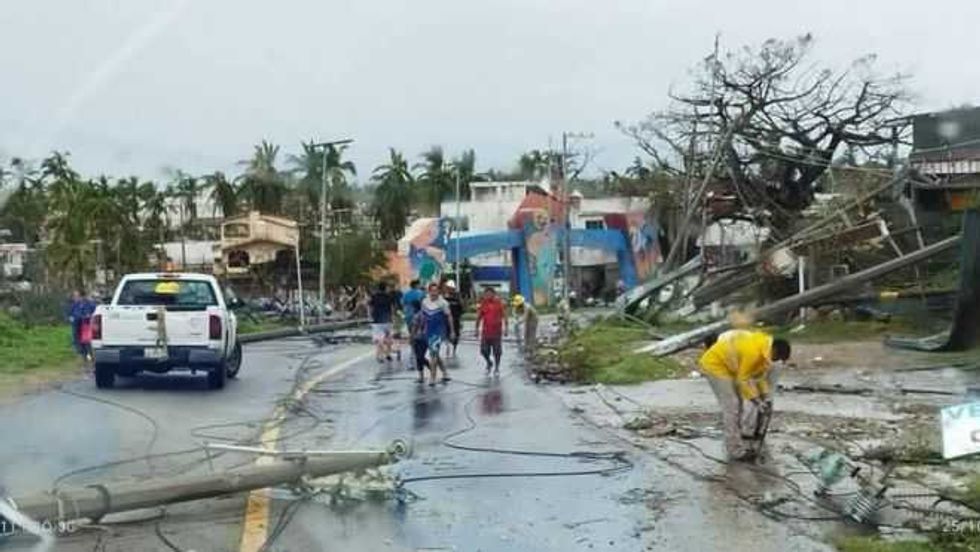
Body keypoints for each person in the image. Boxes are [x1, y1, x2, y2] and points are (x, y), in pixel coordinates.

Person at [698, 329, 791, 461]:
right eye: (778, 358)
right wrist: (757, 402)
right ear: (774, 350)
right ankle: (735, 450)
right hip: (715, 366)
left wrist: (765, 399)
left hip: (730, 369)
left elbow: (758, 379)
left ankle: (739, 440)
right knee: (732, 407)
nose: (777, 361)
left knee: (740, 405)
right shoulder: (753, 351)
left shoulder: (765, 353)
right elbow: (744, 380)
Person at [421, 282, 455, 386]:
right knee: (434, 353)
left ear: (438, 291)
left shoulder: (443, 303)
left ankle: (433, 377)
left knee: (433, 354)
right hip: (428, 331)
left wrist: (452, 331)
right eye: (432, 290)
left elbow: (449, 317)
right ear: (429, 291)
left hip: (438, 331)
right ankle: (445, 373)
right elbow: (423, 316)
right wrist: (421, 328)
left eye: (436, 291)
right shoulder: (424, 302)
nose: (434, 293)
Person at [475, 287, 507, 374]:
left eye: (489, 294)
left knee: (497, 352)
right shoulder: (483, 304)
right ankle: (489, 362)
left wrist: (506, 328)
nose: (487, 295)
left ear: (493, 294)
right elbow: (479, 317)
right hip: (486, 332)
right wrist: (476, 329)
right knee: (483, 351)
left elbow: (505, 316)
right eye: (486, 294)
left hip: (497, 332)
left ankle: (497, 367)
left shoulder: (499, 303)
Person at [369, 282, 395, 362]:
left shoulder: (374, 296)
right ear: (385, 288)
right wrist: (392, 317)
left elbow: (370, 307)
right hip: (387, 321)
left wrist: (371, 316)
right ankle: (388, 354)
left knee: (379, 339)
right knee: (388, 338)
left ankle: (379, 356)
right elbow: (392, 308)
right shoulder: (389, 296)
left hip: (377, 321)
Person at [401, 280, 425, 368]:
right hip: (420, 316)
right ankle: (419, 351)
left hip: (409, 316)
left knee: (412, 334)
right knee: (421, 333)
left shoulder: (406, 294)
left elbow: (403, 303)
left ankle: (413, 349)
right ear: (417, 285)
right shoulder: (421, 293)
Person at [408, 299, 429, 383]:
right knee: (420, 356)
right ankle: (426, 372)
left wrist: (411, 338)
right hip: (426, 337)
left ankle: (422, 375)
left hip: (418, 338)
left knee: (419, 357)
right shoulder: (426, 314)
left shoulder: (416, 316)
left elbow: (413, 329)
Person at [444, 280, 464, 357]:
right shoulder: (444, 298)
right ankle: (448, 346)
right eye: (448, 288)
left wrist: (461, 320)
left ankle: (454, 349)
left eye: (451, 288)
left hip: (456, 319)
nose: (450, 290)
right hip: (446, 319)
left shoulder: (457, 298)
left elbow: (461, 309)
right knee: (446, 334)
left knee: (456, 335)